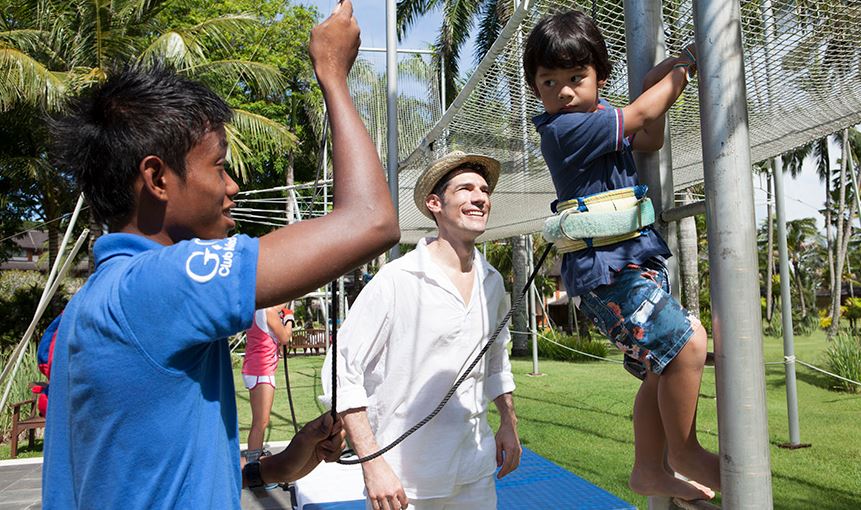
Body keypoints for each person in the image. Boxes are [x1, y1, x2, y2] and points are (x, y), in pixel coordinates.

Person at [41, 1, 400, 508]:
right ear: (157, 178)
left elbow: (152, 468)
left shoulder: (94, 304)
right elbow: (371, 221)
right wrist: (334, 75)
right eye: (219, 167)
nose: (231, 186)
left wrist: (272, 467)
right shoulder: (157, 285)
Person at [523, 10, 719, 503]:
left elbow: (648, 128)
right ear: (536, 89)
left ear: (599, 79)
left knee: (663, 366)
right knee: (689, 343)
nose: (563, 91)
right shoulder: (564, 131)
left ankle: (648, 469)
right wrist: (689, 64)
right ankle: (684, 453)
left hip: (636, 263)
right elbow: (642, 115)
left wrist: (670, 70)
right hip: (606, 274)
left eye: (575, 78)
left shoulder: (601, 120)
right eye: (549, 81)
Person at [323, 151, 521, 510]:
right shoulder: (395, 281)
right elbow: (341, 371)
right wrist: (373, 464)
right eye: (465, 188)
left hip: (474, 468)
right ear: (435, 204)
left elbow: (496, 361)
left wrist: (509, 422)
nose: (480, 197)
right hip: (403, 479)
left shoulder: (493, 284)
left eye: (483, 189)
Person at [242, 305, 294, 466]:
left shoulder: (254, 310)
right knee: (261, 422)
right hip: (261, 370)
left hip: (255, 368)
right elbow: (285, 338)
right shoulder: (269, 312)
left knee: (260, 421)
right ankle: (253, 465)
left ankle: (255, 456)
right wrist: (289, 319)